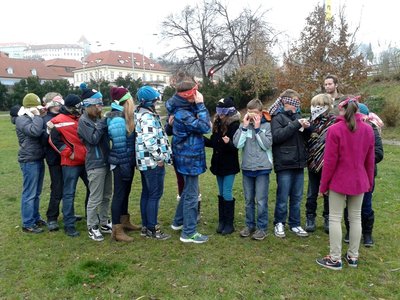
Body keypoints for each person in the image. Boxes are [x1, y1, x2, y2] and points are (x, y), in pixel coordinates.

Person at [316, 96, 375, 270]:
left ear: (341, 110)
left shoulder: (335, 130)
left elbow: (329, 162)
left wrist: (323, 186)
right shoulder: (368, 130)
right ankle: (353, 256)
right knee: (355, 218)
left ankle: (335, 258)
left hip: (339, 180)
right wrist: (369, 182)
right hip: (359, 180)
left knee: (335, 218)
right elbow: (369, 161)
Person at [167, 72, 211, 244]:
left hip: (185, 156)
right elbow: (205, 126)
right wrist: (201, 105)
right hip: (189, 158)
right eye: (196, 93)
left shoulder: (180, 108)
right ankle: (189, 232)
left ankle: (178, 222)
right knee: (192, 195)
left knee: (187, 190)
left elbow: (169, 127)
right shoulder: (182, 113)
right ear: (190, 95)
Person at [270, 89, 310, 238]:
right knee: (283, 196)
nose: (297, 105)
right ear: (287, 102)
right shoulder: (277, 118)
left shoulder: (298, 116)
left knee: (297, 196)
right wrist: (295, 124)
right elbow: (277, 137)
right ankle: (279, 223)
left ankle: (295, 224)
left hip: (299, 163)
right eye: (295, 102)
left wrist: (307, 127)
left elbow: (304, 137)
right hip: (284, 162)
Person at [134, 86, 172, 240]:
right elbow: (149, 141)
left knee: (147, 193)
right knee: (154, 195)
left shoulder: (141, 114)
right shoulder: (148, 117)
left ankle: (145, 226)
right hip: (152, 162)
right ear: (149, 102)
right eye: (155, 100)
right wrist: (160, 158)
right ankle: (152, 228)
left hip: (144, 161)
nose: (157, 103)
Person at [343, 103, 384, 247]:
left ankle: (367, 233)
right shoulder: (348, 128)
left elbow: (378, 153)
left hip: (366, 174)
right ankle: (350, 231)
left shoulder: (372, 130)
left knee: (366, 205)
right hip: (349, 174)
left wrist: (361, 159)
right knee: (349, 205)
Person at [48, 94, 89, 237]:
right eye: (79, 106)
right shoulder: (57, 121)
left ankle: (90, 216)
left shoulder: (81, 118)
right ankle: (69, 224)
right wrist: (68, 153)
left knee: (92, 189)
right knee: (69, 193)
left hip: (86, 161)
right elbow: (53, 140)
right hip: (70, 163)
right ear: (72, 107)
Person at [233, 99, 272, 240]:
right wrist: (244, 127)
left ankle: (262, 228)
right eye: (250, 113)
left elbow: (266, 145)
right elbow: (237, 144)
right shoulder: (243, 127)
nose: (252, 116)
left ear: (261, 113)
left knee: (261, 200)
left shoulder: (266, 126)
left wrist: (257, 129)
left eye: (255, 113)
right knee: (249, 200)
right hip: (247, 168)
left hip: (262, 168)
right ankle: (250, 225)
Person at [78, 86, 112, 242]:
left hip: (106, 162)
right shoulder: (83, 121)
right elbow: (92, 139)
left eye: (101, 103)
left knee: (106, 195)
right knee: (95, 197)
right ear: (89, 105)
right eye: (98, 104)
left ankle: (104, 222)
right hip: (95, 165)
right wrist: (103, 124)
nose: (100, 106)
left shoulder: (98, 119)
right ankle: (92, 226)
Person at [106, 86, 140, 242]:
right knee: (119, 194)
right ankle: (117, 230)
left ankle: (125, 221)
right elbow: (120, 147)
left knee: (125, 192)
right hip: (121, 163)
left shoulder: (124, 116)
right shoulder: (118, 119)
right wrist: (126, 167)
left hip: (127, 162)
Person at [204, 97, 240, 235]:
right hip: (218, 164)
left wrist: (228, 143)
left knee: (226, 192)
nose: (220, 114)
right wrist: (202, 139)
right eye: (218, 110)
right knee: (220, 192)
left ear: (230, 111)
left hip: (229, 165)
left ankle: (229, 223)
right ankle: (222, 221)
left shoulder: (234, 125)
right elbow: (214, 142)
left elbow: (236, 146)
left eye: (223, 111)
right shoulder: (217, 123)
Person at [303, 94, 336, 233]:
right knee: (312, 192)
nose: (315, 108)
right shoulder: (309, 121)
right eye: (314, 105)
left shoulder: (334, 122)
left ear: (327, 107)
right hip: (312, 162)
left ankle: (328, 217)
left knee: (328, 192)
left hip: (328, 163)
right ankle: (310, 217)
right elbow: (305, 140)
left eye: (319, 106)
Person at [15, 93, 46, 233]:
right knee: (30, 193)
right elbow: (34, 131)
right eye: (36, 108)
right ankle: (28, 223)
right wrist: (39, 117)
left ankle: (35, 218)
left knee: (37, 192)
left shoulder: (33, 118)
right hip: (29, 160)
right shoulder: (21, 119)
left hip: (37, 157)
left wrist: (40, 117)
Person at [41, 92, 65, 231]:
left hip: (67, 158)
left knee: (69, 188)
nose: (58, 106)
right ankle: (52, 217)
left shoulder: (63, 116)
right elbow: (43, 140)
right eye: (56, 103)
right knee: (57, 188)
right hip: (54, 159)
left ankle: (68, 213)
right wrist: (48, 132)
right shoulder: (46, 119)